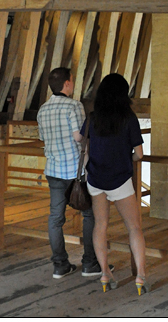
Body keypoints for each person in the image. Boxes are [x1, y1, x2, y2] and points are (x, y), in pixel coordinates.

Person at [37, 67, 110, 280]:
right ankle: (89, 263)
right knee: (89, 215)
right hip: (76, 170)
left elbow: (43, 138)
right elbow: (80, 137)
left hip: (53, 169)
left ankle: (60, 265)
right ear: (67, 83)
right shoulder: (74, 106)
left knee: (55, 218)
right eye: (72, 80)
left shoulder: (43, 109)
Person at [82, 73, 149, 294]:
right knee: (134, 227)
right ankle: (140, 276)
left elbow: (88, 148)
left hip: (95, 179)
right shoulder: (129, 118)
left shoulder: (93, 117)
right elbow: (139, 154)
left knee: (100, 226)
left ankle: (104, 273)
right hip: (119, 180)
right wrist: (125, 157)